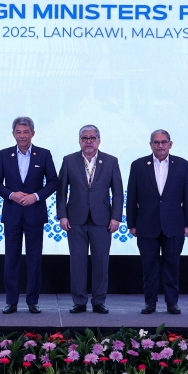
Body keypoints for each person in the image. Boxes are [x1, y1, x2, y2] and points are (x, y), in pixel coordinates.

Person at [0, 116, 58, 314]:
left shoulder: (44, 155)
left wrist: (36, 196)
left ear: (33, 133)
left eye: (25, 132)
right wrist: (11, 194)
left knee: (34, 259)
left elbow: (54, 182)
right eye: (18, 132)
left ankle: (32, 301)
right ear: (13, 134)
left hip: (34, 214)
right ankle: (11, 301)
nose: (22, 136)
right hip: (12, 214)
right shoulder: (4, 155)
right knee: (11, 259)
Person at [56, 125, 123, 314]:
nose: (88, 141)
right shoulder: (69, 160)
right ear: (79, 140)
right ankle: (79, 301)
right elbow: (61, 192)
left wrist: (116, 217)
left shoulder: (111, 161)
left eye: (92, 138)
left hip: (102, 220)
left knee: (101, 262)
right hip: (75, 219)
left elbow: (117, 192)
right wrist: (62, 215)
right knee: (77, 262)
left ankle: (99, 301)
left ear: (98, 140)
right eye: (84, 138)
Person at [126, 129, 188, 315]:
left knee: (172, 266)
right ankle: (150, 303)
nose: (160, 145)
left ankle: (172, 303)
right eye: (156, 142)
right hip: (146, 224)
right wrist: (131, 223)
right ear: (151, 145)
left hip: (174, 225)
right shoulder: (138, 165)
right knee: (149, 267)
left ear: (170, 144)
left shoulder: (182, 165)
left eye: (164, 142)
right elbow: (132, 196)